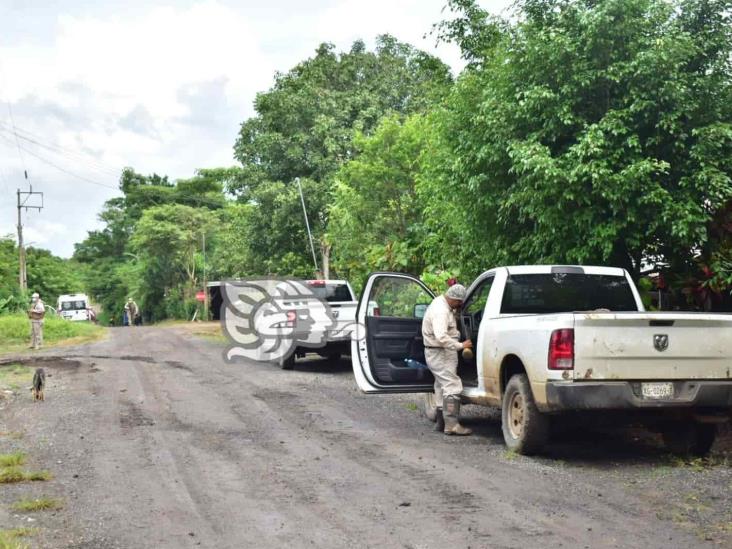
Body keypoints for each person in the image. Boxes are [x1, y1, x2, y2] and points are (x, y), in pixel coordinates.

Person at [422, 283, 473, 436]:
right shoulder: (441, 311)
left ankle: (440, 422)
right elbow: (441, 336)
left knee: (440, 385)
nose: (460, 306)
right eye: (459, 302)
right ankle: (451, 424)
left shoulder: (440, 303)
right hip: (441, 352)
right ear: (453, 298)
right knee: (452, 385)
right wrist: (460, 345)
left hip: (436, 352)